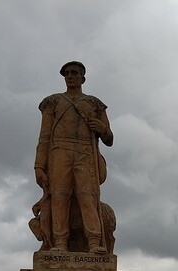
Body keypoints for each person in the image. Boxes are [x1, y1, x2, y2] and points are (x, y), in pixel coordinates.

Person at [33, 61, 114, 254]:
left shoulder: (94, 103)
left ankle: (94, 242)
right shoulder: (52, 102)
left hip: (85, 151)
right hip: (59, 149)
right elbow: (44, 137)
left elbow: (109, 138)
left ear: (82, 78)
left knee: (88, 196)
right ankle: (60, 243)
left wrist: (102, 129)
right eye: (67, 74)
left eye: (74, 73)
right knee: (59, 196)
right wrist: (39, 166)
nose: (70, 76)